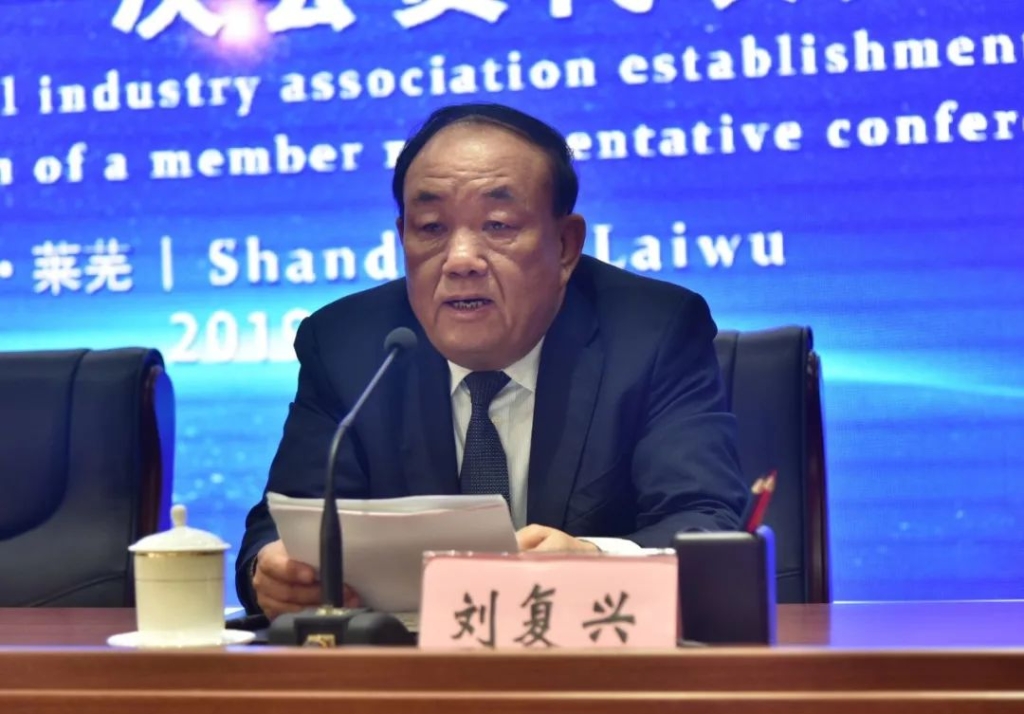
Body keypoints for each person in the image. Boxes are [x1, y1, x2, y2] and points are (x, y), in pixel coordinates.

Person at [236, 102, 748, 620]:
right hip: (407, 664)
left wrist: (594, 562)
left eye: (498, 225)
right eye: (431, 228)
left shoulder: (652, 333)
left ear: (565, 245)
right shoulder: (347, 346)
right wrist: (274, 574)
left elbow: (705, 524)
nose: (460, 260)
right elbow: (283, 525)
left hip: (596, 656)